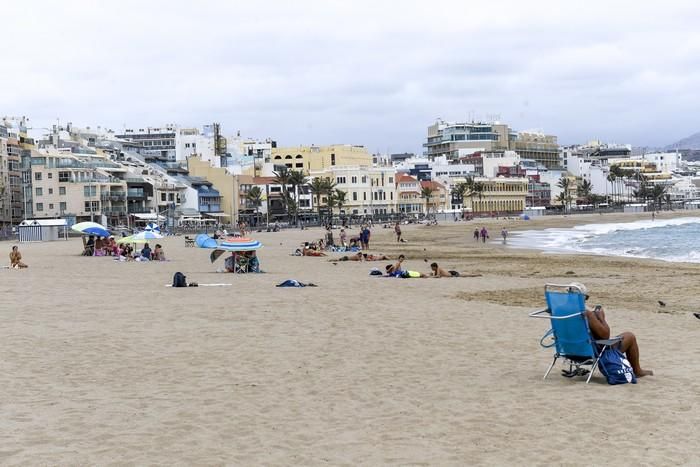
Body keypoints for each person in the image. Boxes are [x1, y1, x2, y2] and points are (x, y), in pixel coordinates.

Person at [575, 283, 654, 377]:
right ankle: (637, 371)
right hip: (590, 351)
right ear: (583, 298)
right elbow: (605, 335)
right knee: (629, 336)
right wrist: (601, 318)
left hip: (571, 351)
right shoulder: (587, 314)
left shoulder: (559, 312)